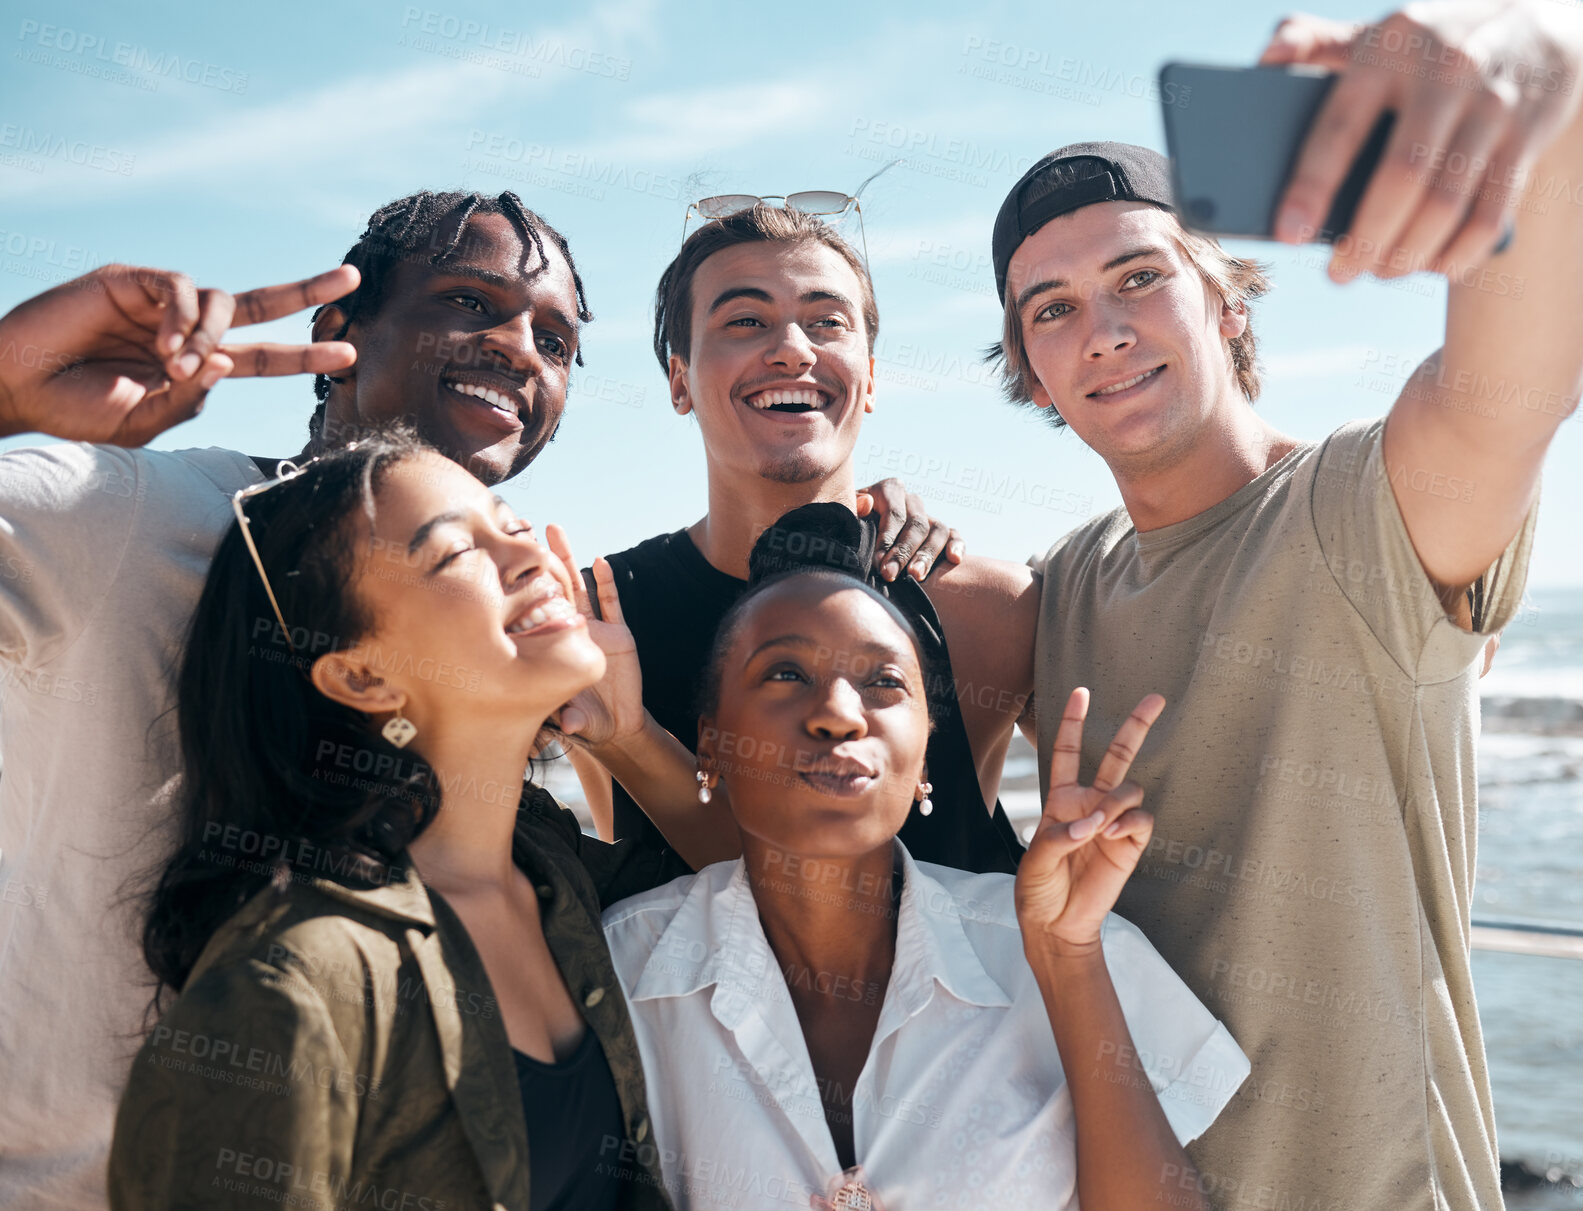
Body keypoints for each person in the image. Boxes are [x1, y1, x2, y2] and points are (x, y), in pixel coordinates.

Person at [0, 188, 944, 1207]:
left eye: (556, 337)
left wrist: (627, 736)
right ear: (337, 330)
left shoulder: (528, 857)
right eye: (467, 300)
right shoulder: (119, 511)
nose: (517, 348)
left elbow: (770, 904)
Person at [987, 3, 1583, 1206]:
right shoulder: (1059, 587)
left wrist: (1557, 69)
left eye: (1138, 277)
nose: (1102, 331)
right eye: (1051, 308)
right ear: (1034, 374)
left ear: (1226, 299)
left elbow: (1517, 390)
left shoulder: (1356, 512)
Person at [109, 431, 687, 1210]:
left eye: (513, 523)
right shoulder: (294, 988)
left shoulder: (559, 880)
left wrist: (628, 733)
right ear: (361, 673)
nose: (527, 557)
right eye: (455, 554)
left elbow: (766, 891)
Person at [601, 566, 1249, 1209]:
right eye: (786, 673)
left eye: (883, 681)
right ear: (710, 744)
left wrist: (1068, 957)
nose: (838, 714)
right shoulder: (617, 972)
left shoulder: (1086, 948)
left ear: (923, 763)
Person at [575, 204, 1037, 876]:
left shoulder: (989, 610)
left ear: (870, 377)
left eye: (827, 322)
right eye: (745, 321)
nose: (793, 348)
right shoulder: (598, 618)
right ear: (679, 381)